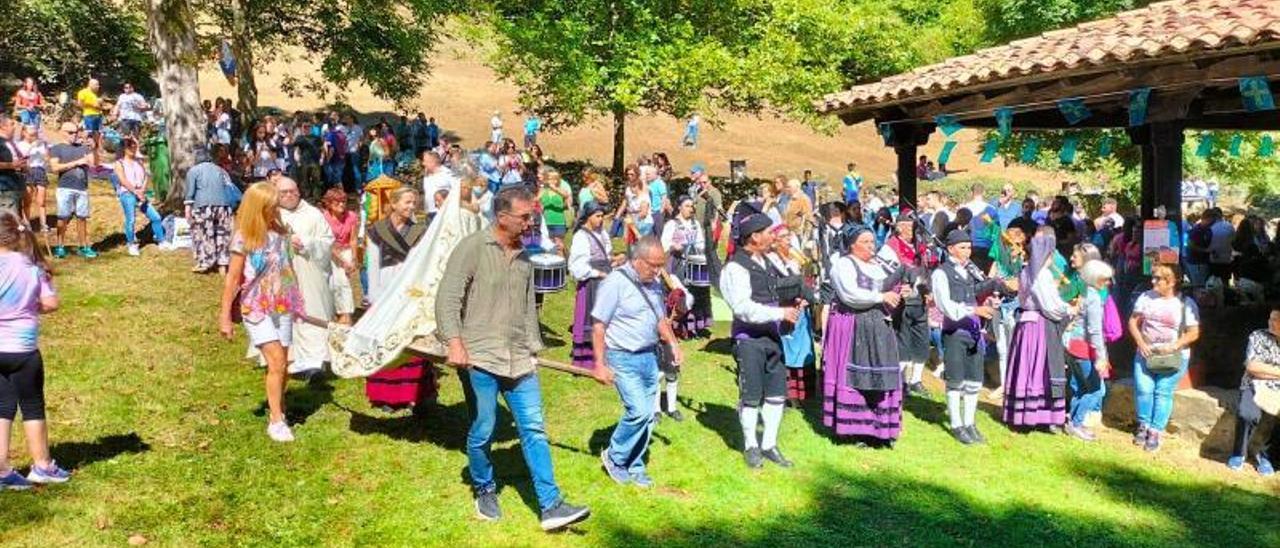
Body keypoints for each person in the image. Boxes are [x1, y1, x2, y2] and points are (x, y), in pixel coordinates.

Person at [435, 187, 590, 531]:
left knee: (534, 428)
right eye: (524, 216)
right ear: (502, 217)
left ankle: (551, 506)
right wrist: (454, 342)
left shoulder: (524, 257)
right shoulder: (473, 248)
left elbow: (526, 308)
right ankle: (485, 486)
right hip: (480, 356)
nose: (530, 221)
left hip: (518, 358)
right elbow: (447, 297)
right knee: (484, 428)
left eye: (531, 215)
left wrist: (532, 346)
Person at [590, 236, 686, 487]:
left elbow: (660, 320)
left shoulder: (654, 284)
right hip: (622, 357)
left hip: (649, 356)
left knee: (648, 416)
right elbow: (599, 326)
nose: (657, 271)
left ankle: (635, 464)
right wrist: (599, 364)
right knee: (639, 411)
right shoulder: (614, 283)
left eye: (660, 265)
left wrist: (673, 344)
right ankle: (614, 456)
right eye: (653, 265)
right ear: (637, 260)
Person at [218, 182, 306, 442]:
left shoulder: (280, 231)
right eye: (270, 206)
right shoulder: (244, 237)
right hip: (255, 306)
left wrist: (296, 301)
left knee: (284, 363)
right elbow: (233, 279)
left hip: (282, 304)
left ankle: (277, 406)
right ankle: (276, 421)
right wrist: (224, 317)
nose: (275, 210)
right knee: (276, 360)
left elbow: (287, 268)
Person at [721, 213, 803, 468]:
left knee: (777, 393)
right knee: (752, 395)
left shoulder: (768, 260)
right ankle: (751, 446)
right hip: (749, 339)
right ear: (754, 237)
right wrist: (780, 312)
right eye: (768, 232)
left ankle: (769, 444)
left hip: (772, 336)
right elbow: (743, 308)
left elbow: (779, 288)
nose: (773, 236)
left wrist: (792, 300)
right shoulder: (735, 267)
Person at [0, 212, 70, 489]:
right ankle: (42, 465)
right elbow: (51, 303)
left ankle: (2, 471)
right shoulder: (33, 267)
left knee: (2, 407)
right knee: (32, 406)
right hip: (24, 350)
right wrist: (32, 307)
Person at [824, 226, 904, 445]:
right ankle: (857, 430)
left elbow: (887, 290)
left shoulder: (877, 266)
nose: (871, 246)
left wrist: (898, 293)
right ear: (852, 245)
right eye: (865, 242)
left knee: (880, 373)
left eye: (872, 241)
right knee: (858, 375)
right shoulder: (843, 265)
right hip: (854, 324)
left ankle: (881, 429)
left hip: (878, 325)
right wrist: (882, 296)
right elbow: (850, 295)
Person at [932, 230, 1010, 445]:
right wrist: (974, 311)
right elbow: (945, 306)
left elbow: (976, 293)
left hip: (975, 333)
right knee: (956, 380)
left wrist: (987, 304)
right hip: (955, 332)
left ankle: (970, 423)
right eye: (962, 247)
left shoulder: (970, 271)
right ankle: (956, 425)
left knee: (974, 380)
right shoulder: (941, 273)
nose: (967, 251)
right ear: (950, 249)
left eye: (969, 247)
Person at [364, 187, 437, 414]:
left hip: (409, 289)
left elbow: (422, 262)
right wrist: (374, 297)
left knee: (412, 340)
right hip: (385, 287)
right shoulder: (376, 231)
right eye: (406, 202)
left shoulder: (420, 231)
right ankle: (385, 395)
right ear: (393, 204)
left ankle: (416, 393)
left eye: (414, 203)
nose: (411, 206)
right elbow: (372, 265)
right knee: (385, 339)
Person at [1002, 229, 1074, 431]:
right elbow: (1050, 305)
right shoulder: (1041, 275)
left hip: (1025, 323)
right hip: (1039, 326)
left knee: (1025, 365)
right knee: (1037, 368)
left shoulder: (1026, 271)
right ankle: (1033, 415)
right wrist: (1070, 309)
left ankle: (1021, 412)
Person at [1129, 262, 1200, 452]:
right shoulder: (1145, 298)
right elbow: (1133, 322)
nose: (1153, 281)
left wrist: (1174, 345)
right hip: (1146, 352)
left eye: (1158, 278)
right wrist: (1141, 343)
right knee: (1143, 388)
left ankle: (1155, 431)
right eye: (1153, 276)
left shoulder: (1186, 304)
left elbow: (1193, 332)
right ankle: (1143, 425)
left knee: (1163, 391)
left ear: (1172, 281)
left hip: (1174, 356)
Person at [273, 177, 335, 377]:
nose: (289, 195)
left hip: (309, 272)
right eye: (284, 193)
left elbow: (327, 242)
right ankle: (285, 357)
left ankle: (314, 362)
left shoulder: (313, 214)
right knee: (284, 314)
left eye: (293, 191)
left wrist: (307, 243)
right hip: (281, 274)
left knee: (310, 312)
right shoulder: (272, 214)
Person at [880, 213, 931, 397]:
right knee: (903, 341)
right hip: (902, 302)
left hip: (920, 299)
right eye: (907, 227)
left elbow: (926, 270)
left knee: (921, 340)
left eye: (913, 227)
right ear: (898, 228)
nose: (912, 231)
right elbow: (885, 275)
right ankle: (902, 381)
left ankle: (916, 379)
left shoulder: (920, 248)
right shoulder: (889, 248)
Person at [1063, 260, 1113, 442]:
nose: (1108, 283)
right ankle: (1076, 424)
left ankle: (1072, 420)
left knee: (1081, 387)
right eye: (1105, 279)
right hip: (1085, 349)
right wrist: (1101, 356)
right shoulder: (1093, 298)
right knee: (1096, 390)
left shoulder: (1083, 293)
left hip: (1072, 346)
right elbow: (1095, 330)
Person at [767, 225, 816, 407]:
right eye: (784, 236)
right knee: (786, 351)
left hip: (800, 311)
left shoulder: (795, 258)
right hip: (784, 311)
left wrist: (805, 298)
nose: (789, 240)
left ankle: (802, 394)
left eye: (789, 236)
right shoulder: (770, 261)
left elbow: (805, 280)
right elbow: (773, 287)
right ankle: (787, 393)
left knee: (803, 349)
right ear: (775, 241)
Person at [1228, 306, 1280, 476]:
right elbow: (1252, 367)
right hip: (1254, 384)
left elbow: (1260, 367)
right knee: (1247, 414)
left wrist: (1266, 370)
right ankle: (1238, 452)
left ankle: (1266, 456)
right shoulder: (1258, 336)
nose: (1271, 323)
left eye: (1276, 320)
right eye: (1270, 318)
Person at [569, 203, 619, 370]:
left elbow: (606, 254)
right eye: (597, 216)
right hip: (591, 284)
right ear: (588, 216)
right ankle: (587, 359)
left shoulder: (602, 233)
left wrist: (614, 260)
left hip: (605, 281)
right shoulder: (581, 236)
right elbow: (577, 266)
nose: (600, 219)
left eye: (602, 216)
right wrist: (598, 274)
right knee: (591, 318)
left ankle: (606, 356)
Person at [987, 224, 1027, 401]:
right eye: (1006, 243)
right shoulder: (999, 261)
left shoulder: (1023, 263)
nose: (1009, 247)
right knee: (1002, 348)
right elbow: (990, 278)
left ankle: (1014, 386)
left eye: (1013, 243)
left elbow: (1020, 285)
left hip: (1014, 306)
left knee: (1013, 348)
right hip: (998, 305)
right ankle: (1004, 385)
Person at [49, 122, 97, 259]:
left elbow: (93, 164)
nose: (74, 135)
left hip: (82, 188)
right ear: (62, 132)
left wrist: (94, 149)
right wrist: (76, 163)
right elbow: (54, 168)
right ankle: (59, 246)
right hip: (64, 187)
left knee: (82, 218)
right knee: (62, 218)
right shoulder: (57, 148)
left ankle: (83, 246)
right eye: (71, 132)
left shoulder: (83, 148)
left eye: (76, 132)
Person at [112, 138, 166, 256]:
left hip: (141, 193)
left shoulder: (139, 162)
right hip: (127, 193)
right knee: (131, 219)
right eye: (130, 147)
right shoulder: (119, 163)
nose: (133, 149)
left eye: (134, 147)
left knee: (155, 217)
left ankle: (161, 240)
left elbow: (146, 177)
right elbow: (122, 180)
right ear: (124, 149)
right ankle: (131, 244)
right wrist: (135, 191)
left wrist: (142, 190)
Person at [185, 148, 235, 273]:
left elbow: (190, 193)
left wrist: (188, 209)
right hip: (223, 205)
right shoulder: (221, 170)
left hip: (203, 205)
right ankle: (223, 264)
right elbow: (229, 187)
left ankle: (205, 262)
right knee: (222, 234)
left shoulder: (194, 171)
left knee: (203, 233)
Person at [320, 188, 356, 325]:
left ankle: (346, 314)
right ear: (329, 203)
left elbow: (352, 239)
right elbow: (328, 243)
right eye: (338, 202)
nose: (342, 205)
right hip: (329, 252)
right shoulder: (324, 218)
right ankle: (334, 311)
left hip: (345, 250)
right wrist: (343, 261)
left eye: (344, 201)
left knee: (343, 283)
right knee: (332, 284)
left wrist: (353, 258)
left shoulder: (351, 216)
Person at [690, 164, 724, 284]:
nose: (703, 185)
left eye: (705, 182)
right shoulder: (699, 192)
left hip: (709, 227)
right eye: (701, 183)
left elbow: (719, 209)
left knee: (711, 252)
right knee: (699, 250)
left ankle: (718, 276)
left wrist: (715, 222)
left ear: (709, 182)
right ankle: (703, 275)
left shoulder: (714, 193)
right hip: (698, 225)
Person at [16, 125, 49, 231]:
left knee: (42, 201)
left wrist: (45, 145)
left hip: (40, 170)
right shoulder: (20, 144)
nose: (34, 136)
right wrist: (31, 147)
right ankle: (27, 223)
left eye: (35, 134)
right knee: (27, 200)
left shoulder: (40, 144)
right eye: (31, 134)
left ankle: (43, 224)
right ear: (24, 133)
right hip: (27, 171)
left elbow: (47, 158)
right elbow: (21, 158)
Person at [537, 167, 573, 254]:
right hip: (546, 222)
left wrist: (554, 188)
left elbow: (566, 195)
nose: (549, 181)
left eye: (551, 179)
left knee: (559, 246)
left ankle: (562, 264)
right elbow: (537, 200)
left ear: (556, 180)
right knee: (549, 246)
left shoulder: (561, 190)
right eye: (548, 179)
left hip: (558, 221)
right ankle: (551, 265)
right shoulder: (543, 190)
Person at [962, 184, 997, 273]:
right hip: (987, 246)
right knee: (985, 275)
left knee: (971, 274)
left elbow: (960, 228)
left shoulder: (965, 208)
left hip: (969, 246)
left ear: (971, 193)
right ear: (984, 192)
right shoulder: (992, 209)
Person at [0, 118, 25, 220]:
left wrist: (24, 166)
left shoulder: (11, 142)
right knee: (8, 219)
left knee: (15, 217)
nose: (15, 127)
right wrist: (12, 165)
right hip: (4, 186)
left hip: (16, 184)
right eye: (12, 124)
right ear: (2, 126)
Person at [421, 151, 458, 218]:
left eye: (425, 161)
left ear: (433, 161)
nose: (423, 163)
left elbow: (457, 190)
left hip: (444, 212)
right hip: (429, 212)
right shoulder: (426, 175)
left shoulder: (447, 174)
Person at [76, 78, 107, 143]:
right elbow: (80, 104)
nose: (98, 86)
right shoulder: (83, 92)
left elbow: (97, 106)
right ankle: (85, 147)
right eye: (96, 85)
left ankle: (95, 149)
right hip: (89, 115)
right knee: (88, 131)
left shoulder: (94, 94)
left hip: (98, 115)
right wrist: (92, 105)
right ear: (90, 84)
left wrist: (100, 104)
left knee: (97, 133)